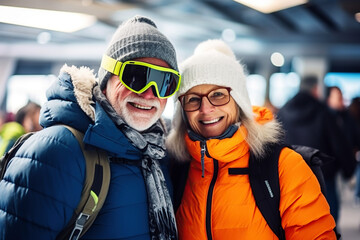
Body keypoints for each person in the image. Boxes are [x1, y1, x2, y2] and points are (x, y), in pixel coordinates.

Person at [0, 15, 179, 239]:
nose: (150, 93)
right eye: (136, 77)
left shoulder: (159, 154)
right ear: (107, 79)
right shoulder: (58, 152)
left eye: (164, 82)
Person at [166, 39, 336, 239]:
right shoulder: (174, 168)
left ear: (239, 102)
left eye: (219, 95)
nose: (206, 109)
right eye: (193, 99)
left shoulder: (283, 166)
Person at [277, 76, 356, 226]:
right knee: (328, 223)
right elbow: (338, 144)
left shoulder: (283, 112)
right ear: (315, 90)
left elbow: (276, 142)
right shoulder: (323, 112)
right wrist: (348, 170)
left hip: (291, 177)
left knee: (295, 223)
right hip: (323, 176)